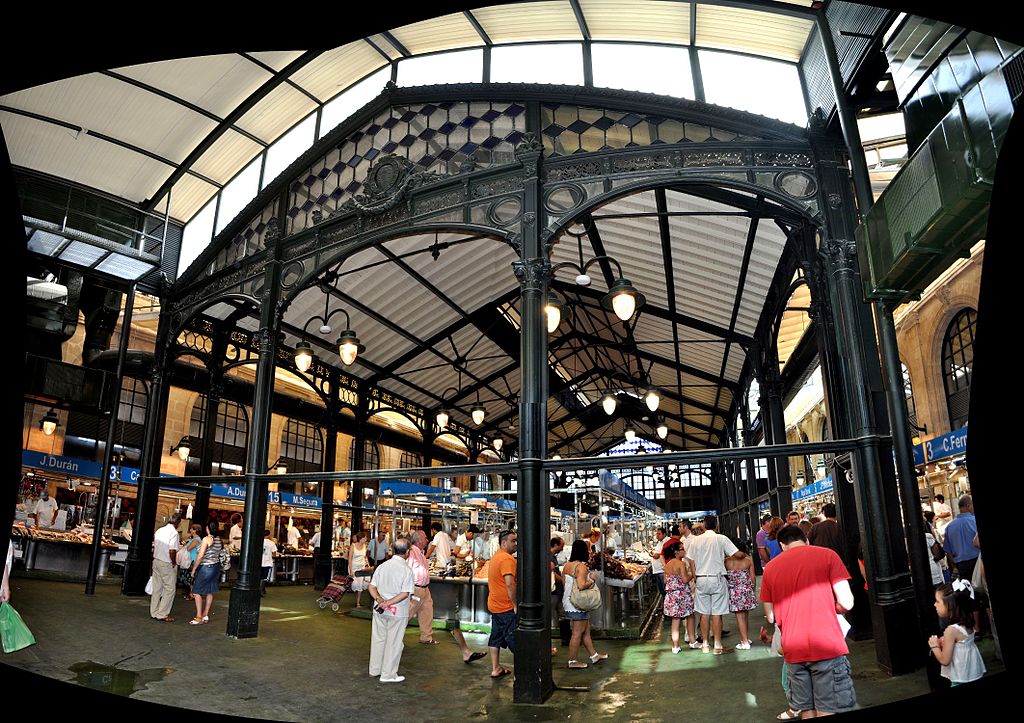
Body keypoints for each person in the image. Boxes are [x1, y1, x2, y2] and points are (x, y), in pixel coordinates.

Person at [760, 524, 856, 718]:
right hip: (826, 644)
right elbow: (847, 602)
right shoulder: (828, 555)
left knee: (806, 707)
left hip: (793, 648)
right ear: (806, 538)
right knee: (828, 705)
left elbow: (770, 616)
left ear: (782, 544)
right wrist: (831, 607)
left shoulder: (770, 568)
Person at [684, 514, 745, 654]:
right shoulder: (721, 538)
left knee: (704, 613)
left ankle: (705, 644)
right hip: (717, 578)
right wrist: (727, 556)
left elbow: (691, 561)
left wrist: (695, 577)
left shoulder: (696, 541)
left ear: (704, 526)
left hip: (701, 578)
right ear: (716, 526)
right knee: (717, 613)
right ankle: (717, 645)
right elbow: (738, 554)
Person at [368, 536, 416, 683]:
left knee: (378, 639)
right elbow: (405, 593)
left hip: (379, 609)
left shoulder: (382, 566)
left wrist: (379, 600)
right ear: (407, 552)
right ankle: (388, 674)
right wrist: (388, 603)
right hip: (397, 612)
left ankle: (375, 669)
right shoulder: (406, 570)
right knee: (394, 643)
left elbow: (371, 586)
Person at [929, 581, 986, 686]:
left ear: (950, 606)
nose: (934, 604)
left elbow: (945, 660)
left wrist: (934, 646)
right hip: (974, 672)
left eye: (937, 601)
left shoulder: (951, 630)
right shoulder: (967, 621)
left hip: (961, 678)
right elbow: (961, 643)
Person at [562, 539, 608, 668]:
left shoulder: (567, 565)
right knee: (577, 633)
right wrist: (592, 580)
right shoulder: (581, 567)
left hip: (569, 601)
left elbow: (565, 583)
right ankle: (572, 661)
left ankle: (594, 655)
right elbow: (582, 585)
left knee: (585, 631)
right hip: (578, 605)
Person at [487, 529, 518, 679]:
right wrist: (515, 604)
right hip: (505, 606)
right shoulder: (507, 559)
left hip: (494, 605)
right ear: (504, 542)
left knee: (496, 637)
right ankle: (525, 670)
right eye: (513, 541)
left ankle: (495, 668)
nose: (516, 544)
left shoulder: (496, 557)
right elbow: (510, 584)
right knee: (514, 639)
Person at [661, 541, 695, 654]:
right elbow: (685, 580)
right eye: (682, 549)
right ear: (676, 552)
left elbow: (666, 580)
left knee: (675, 621)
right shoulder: (681, 564)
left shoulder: (668, 564)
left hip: (671, 596)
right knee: (690, 616)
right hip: (682, 595)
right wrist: (693, 574)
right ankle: (692, 641)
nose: (684, 551)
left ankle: (675, 647)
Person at [189, 520, 225, 625]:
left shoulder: (206, 539)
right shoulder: (219, 539)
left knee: (196, 591)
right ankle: (205, 614)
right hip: (216, 567)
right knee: (210, 591)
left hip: (206, 567)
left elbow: (200, 556)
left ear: (208, 528)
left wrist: (194, 569)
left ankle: (198, 617)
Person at [406, 529, 437, 645]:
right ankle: (393, 634)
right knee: (407, 613)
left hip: (425, 588)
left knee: (427, 611)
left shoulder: (421, 553)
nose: (427, 540)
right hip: (416, 589)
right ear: (419, 541)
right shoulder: (412, 553)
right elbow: (407, 571)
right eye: (425, 538)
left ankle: (426, 637)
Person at [725, 539, 757, 650]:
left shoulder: (727, 561)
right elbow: (753, 578)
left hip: (734, 592)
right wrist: (753, 590)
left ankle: (744, 642)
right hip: (746, 590)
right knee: (745, 615)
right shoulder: (748, 560)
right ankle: (746, 638)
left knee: (739, 617)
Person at [150, 512, 181, 622]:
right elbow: (172, 550)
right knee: (169, 589)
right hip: (166, 562)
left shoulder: (159, 530)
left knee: (157, 587)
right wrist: (173, 562)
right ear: (177, 523)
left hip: (156, 561)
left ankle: (154, 611)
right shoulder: (174, 533)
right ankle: (162, 614)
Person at [943, 495, 979, 584]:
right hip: (977, 562)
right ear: (968, 506)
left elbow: (948, 552)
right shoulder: (974, 521)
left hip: (961, 565)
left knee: (967, 591)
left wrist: (955, 567)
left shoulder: (949, 527)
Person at [181, 524, 203, 600]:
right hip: (191, 560)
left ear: (195, 530)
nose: (190, 530)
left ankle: (192, 594)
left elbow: (188, 549)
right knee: (190, 578)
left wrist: (184, 544)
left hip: (192, 560)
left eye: (191, 529)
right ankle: (192, 593)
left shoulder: (196, 540)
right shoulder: (194, 539)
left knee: (191, 578)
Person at [349, 532, 370, 608]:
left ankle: (358, 602)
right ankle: (357, 600)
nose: (366, 539)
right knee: (355, 584)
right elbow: (350, 558)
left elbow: (365, 557)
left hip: (362, 568)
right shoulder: (353, 545)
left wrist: (367, 564)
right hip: (354, 568)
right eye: (365, 538)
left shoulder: (365, 546)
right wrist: (351, 570)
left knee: (360, 585)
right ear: (361, 539)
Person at [550, 536, 566, 633]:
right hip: (554, 591)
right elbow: (551, 573)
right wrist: (563, 580)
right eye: (561, 546)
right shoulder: (549, 557)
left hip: (558, 590)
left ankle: (564, 634)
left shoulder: (553, 557)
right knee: (554, 610)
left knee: (560, 611)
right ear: (555, 545)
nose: (562, 548)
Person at [649, 527, 668, 596]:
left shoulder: (667, 541)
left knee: (665, 590)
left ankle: (667, 605)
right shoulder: (660, 542)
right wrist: (653, 553)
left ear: (664, 534)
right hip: (658, 570)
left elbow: (668, 553)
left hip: (662, 570)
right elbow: (659, 552)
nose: (657, 536)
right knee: (662, 591)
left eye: (659, 534)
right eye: (656, 534)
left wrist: (658, 555)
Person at [261, 529, 278, 596]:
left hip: (260, 562)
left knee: (259, 576)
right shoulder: (271, 543)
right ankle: (261, 590)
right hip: (267, 562)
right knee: (264, 577)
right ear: (269, 535)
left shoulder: (259, 542)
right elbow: (274, 554)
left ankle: (262, 589)